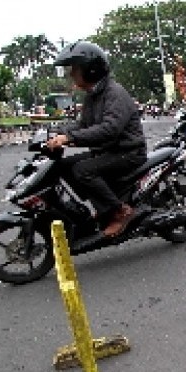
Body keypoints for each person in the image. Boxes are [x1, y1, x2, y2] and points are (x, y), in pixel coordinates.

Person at [47, 41, 146, 238]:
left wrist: (69, 138)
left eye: (75, 69)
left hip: (128, 152)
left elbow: (109, 130)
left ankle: (120, 211)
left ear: (90, 70)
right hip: (109, 151)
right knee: (63, 166)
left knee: (82, 170)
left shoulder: (114, 93)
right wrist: (56, 132)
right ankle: (100, 207)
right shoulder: (93, 96)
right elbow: (82, 125)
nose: (71, 74)